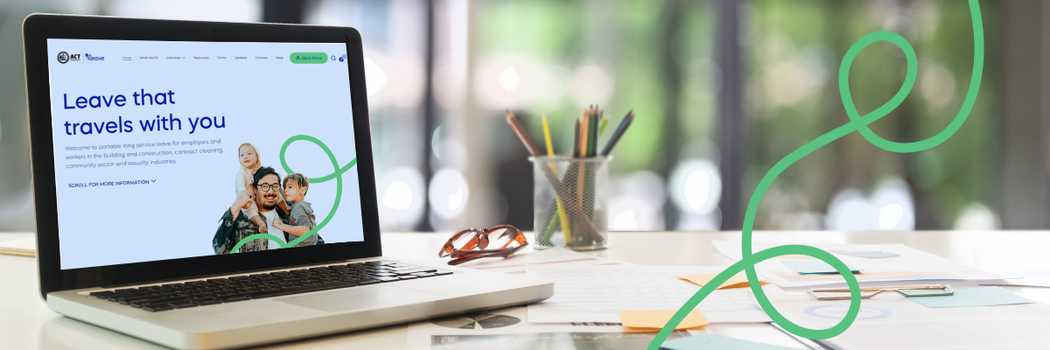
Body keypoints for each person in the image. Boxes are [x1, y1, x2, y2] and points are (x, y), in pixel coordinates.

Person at [213, 167, 310, 254]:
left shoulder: (291, 211)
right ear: (255, 189)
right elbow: (221, 251)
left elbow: (314, 240)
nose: (271, 191)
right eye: (265, 186)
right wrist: (235, 207)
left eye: (275, 186)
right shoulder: (242, 218)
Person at [271, 172, 324, 245]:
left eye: (290, 187)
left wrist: (281, 225)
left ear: (302, 190)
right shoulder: (297, 206)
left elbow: (305, 230)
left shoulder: (299, 207)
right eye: (284, 187)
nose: (285, 190)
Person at [234, 143, 269, 232]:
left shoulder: (262, 171)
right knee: (251, 210)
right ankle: (260, 223)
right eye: (242, 155)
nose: (245, 156)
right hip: (248, 200)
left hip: (261, 196)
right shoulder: (241, 173)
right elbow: (241, 187)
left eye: (249, 154)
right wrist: (245, 198)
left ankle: (285, 208)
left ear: (257, 156)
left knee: (273, 190)